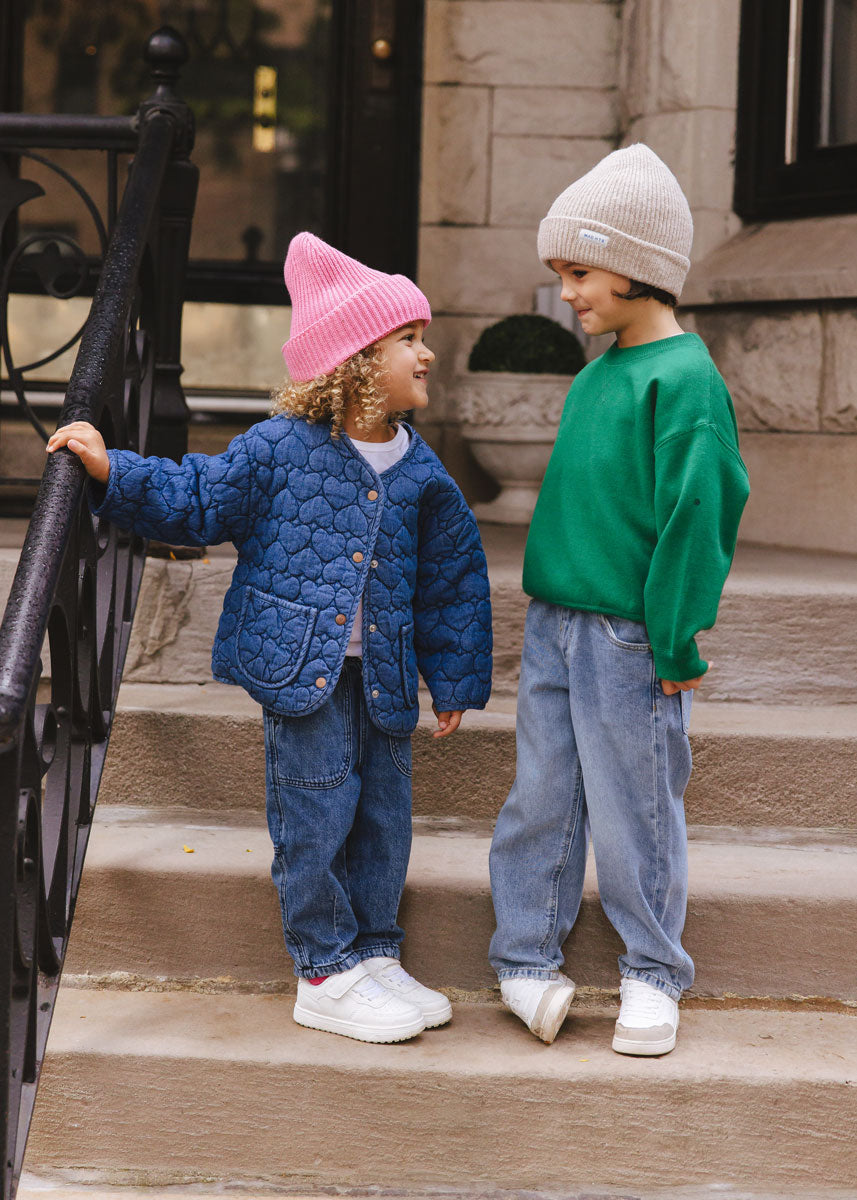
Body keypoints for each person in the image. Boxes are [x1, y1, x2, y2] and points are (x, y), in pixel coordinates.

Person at [47, 232, 493, 1045]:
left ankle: (373, 950)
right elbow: (198, 498)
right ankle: (323, 969)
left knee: (382, 818)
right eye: (408, 340)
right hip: (301, 674)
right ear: (355, 360)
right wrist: (113, 469)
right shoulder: (278, 452)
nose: (426, 354)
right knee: (317, 816)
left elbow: (451, 584)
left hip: (383, 678)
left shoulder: (422, 474)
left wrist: (456, 680)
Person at [488, 144, 750, 1055]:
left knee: (637, 804)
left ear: (638, 268)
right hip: (556, 623)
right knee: (540, 796)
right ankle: (524, 956)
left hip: (630, 637)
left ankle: (651, 973)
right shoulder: (597, 375)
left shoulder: (684, 382)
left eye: (579, 272)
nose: (566, 293)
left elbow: (698, 519)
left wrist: (674, 641)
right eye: (561, 274)